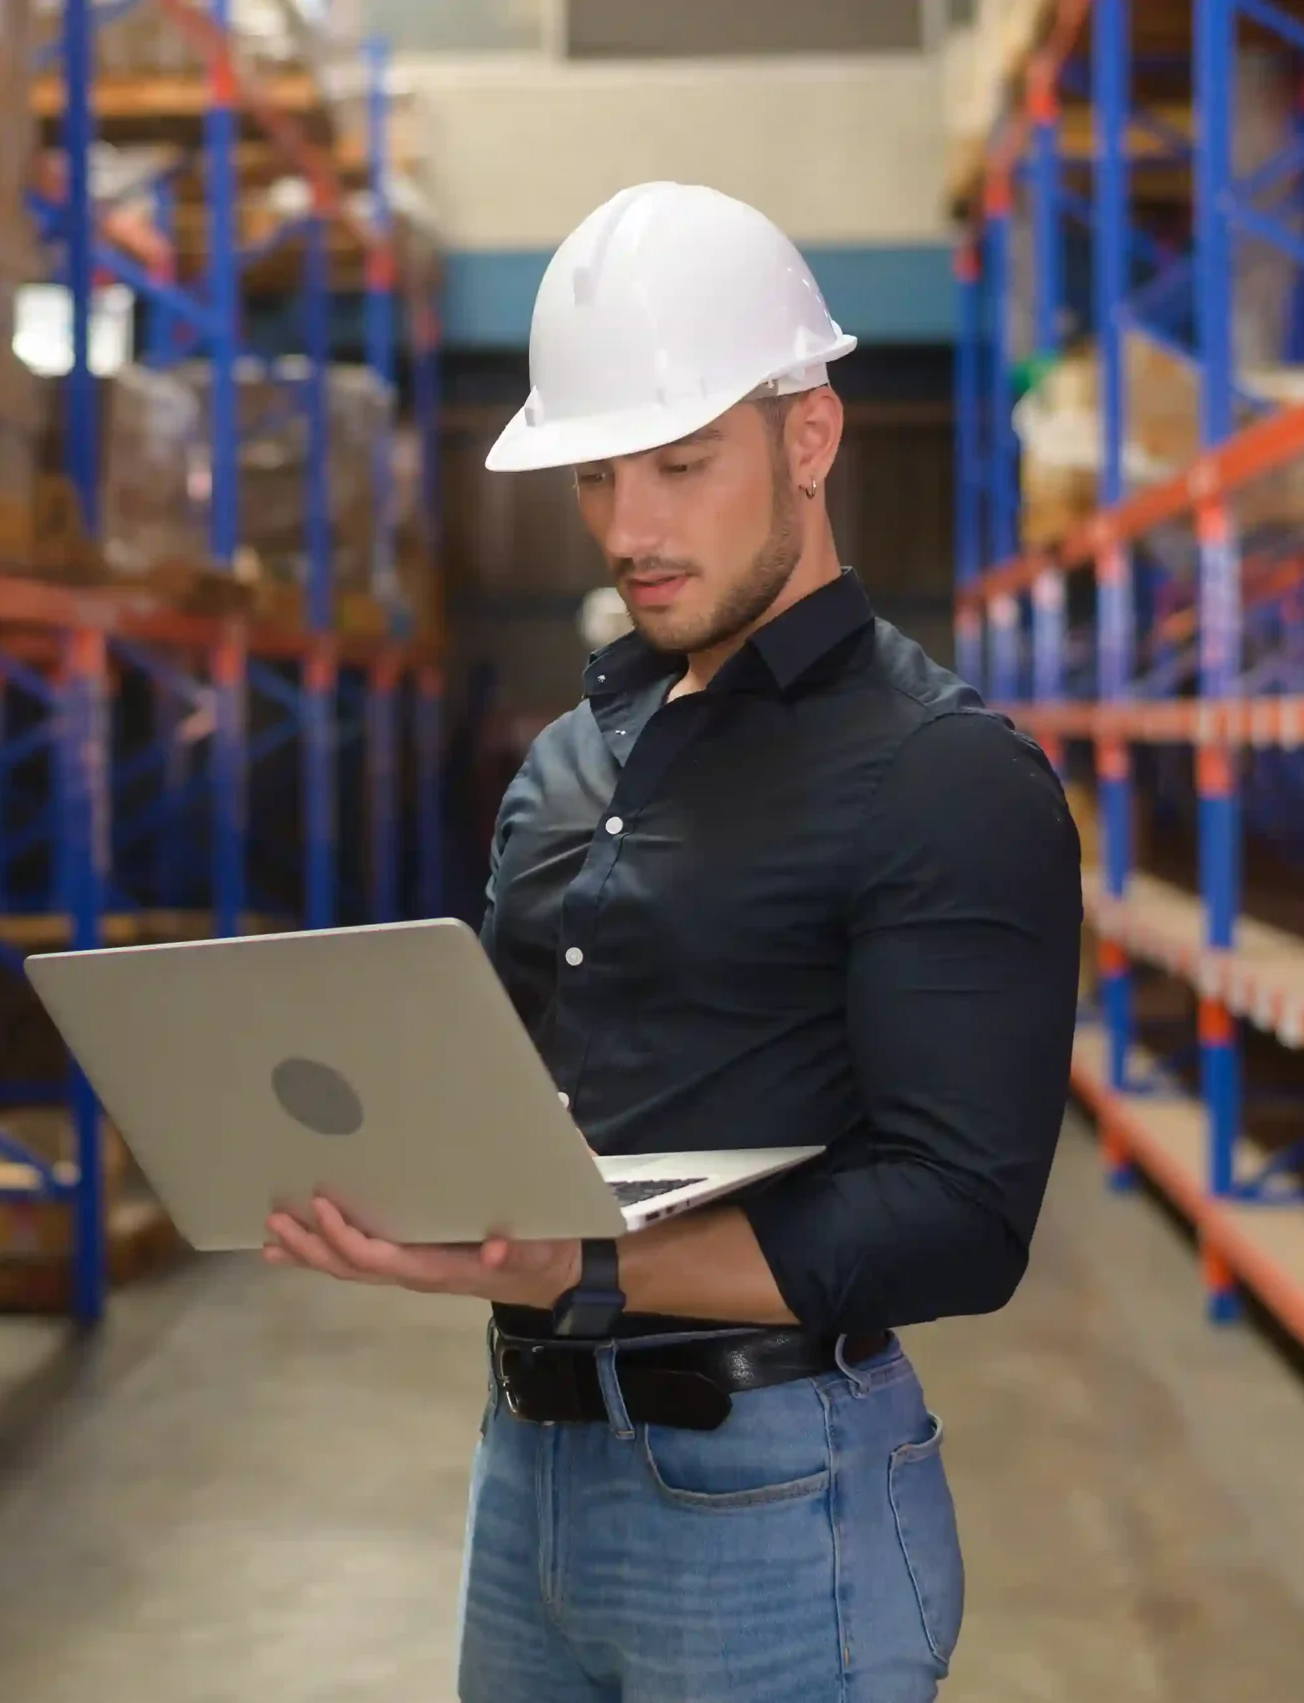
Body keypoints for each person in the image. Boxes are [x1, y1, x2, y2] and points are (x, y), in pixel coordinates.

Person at [260, 181, 1083, 1701]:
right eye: (596, 475)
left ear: (810, 438)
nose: (629, 528)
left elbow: (961, 1216)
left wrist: (584, 1263)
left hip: (776, 1502)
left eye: (682, 464)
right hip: (530, 1474)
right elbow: (514, 1090)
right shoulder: (573, 755)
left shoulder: (944, 773)